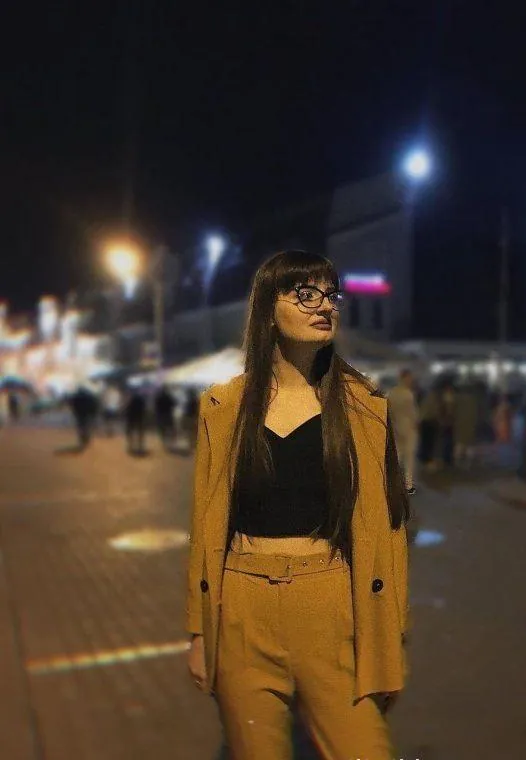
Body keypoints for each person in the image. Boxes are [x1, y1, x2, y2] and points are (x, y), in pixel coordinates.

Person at [186, 250, 411, 760]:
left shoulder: (364, 408)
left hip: (331, 602)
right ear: (269, 309)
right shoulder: (222, 408)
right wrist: (199, 630)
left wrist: (390, 637)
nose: (324, 306)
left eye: (330, 295)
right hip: (241, 608)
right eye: (305, 295)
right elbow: (205, 525)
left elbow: (390, 528)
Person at [386, 368, 420, 494]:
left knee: (397, 456)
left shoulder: (391, 393)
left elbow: (388, 411)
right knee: (409, 459)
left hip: (396, 427)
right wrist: (417, 423)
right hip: (409, 429)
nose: (411, 380)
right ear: (405, 378)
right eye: (409, 378)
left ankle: (391, 483)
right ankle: (408, 486)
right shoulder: (408, 394)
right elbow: (413, 413)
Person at [454, 382, 479, 467]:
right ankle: (468, 461)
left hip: (460, 423)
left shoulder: (458, 399)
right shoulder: (473, 400)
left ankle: (457, 460)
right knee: (469, 443)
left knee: (459, 443)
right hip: (470, 423)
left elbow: (454, 411)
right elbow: (475, 413)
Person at [124, 388, 147, 454]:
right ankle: (140, 446)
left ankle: (131, 446)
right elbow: (144, 408)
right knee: (140, 432)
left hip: (131, 418)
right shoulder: (141, 399)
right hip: (140, 417)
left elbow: (127, 409)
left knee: (130, 431)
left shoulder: (130, 400)